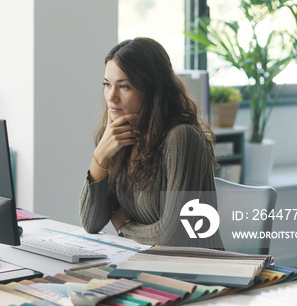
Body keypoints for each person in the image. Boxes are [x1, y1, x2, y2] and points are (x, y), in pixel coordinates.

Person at [79, 37, 223, 249]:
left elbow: (176, 234)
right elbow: (91, 223)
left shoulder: (182, 138)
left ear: (153, 90)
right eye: (107, 84)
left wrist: (125, 227)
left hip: (195, 269)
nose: (111, 97)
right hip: (145, 263)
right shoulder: (119, 137)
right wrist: (100, 158)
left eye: (124, 86)